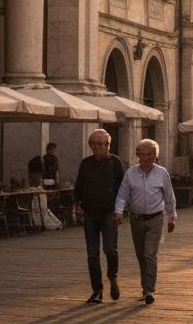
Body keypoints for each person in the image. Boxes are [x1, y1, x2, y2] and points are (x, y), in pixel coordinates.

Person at [114, 138, 177, 305]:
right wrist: (119, 212)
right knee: (141, 255)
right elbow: (122, 194)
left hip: (156, 218)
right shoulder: (131, 173)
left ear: (155, 156)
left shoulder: (162, 173)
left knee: (149, 254)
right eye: (143, 154)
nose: (146, 158)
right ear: (138, 155)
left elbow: (169, 196)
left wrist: (171, 217)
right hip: (136, 219)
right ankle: (145, 287)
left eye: (150, 154)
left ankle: (149, 290)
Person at [74, 128, 126, 304]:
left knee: (110, 249)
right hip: (90, 213)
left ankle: (112, 277)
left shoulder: (115, 162)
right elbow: (79, 186)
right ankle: (97, 290)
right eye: (97, 144)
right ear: (91, 145)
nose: (102, 147)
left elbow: (122, 189)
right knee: (92, 254)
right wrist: (78, 203)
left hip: (109, 212)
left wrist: (120, 210)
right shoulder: (86, 163)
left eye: (105, 144)